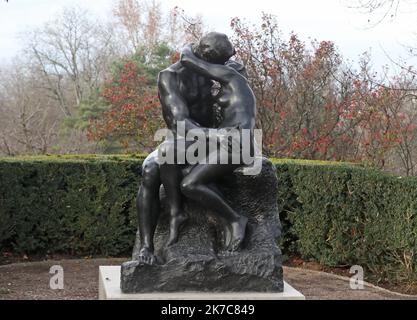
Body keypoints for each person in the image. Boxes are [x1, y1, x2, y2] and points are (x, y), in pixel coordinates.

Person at [136, 32, 236, 265]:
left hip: (215, 138)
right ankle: (147, 247)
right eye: (218, 63)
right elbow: (181, 124)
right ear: (205, 56)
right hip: (184, 138)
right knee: (150, 170)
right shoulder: (170, 77)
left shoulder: (215, 67)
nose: (222, 67)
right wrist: (217, 135)